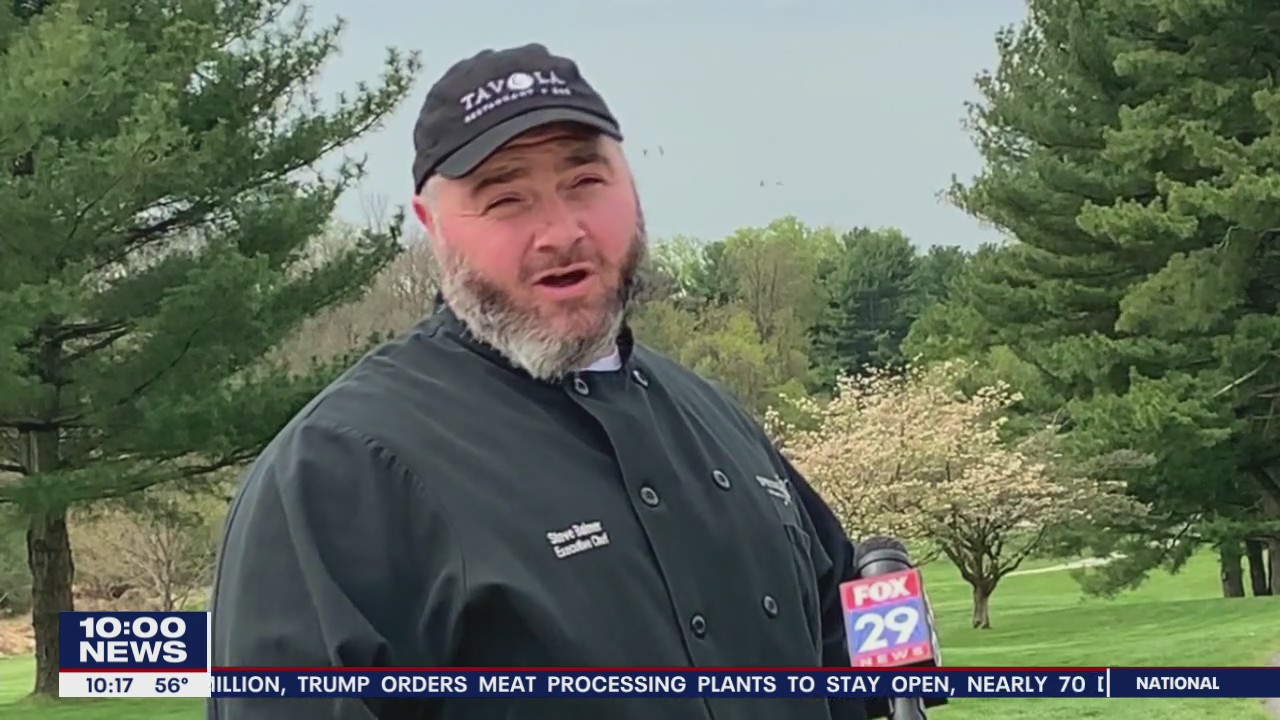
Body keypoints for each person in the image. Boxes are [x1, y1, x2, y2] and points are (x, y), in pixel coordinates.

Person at [207, 42, 873, 720]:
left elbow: (839, 644)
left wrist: (889, 638)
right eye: (507, 198)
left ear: (630, 185)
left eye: (585, 182)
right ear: (432, 227)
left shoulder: (714, 417)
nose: (561, 231)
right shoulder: (341, 468)